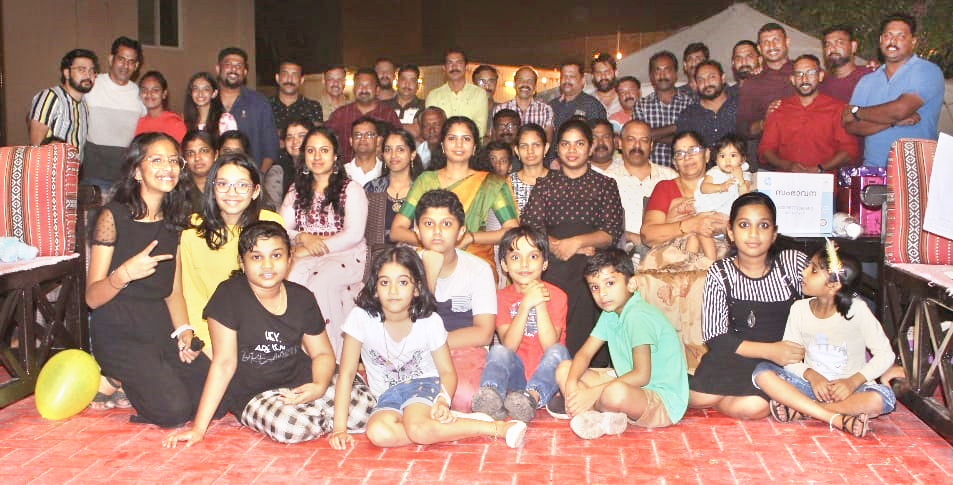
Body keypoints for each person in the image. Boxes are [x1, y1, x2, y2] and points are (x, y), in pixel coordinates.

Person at [163, 221, 375, 446]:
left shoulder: (301, 297)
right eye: (256, 257)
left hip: (302, 380)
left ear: (289, 258)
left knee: (367, 410)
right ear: (242, 262)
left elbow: (322, 353)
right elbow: (224, 364)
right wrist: (198, 429)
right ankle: (320, 414)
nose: (267, 265)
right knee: (293, 428)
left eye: (276, 255)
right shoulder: (228, 297)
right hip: (255, 393)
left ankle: (317, 411)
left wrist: (319, 386)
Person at [329, 246, 527, 450]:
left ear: (416, 288)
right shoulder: (360, 319)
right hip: (387, 395)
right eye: (385, 282)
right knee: (378, 433)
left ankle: (496, 428)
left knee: (418, 428)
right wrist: (339, 429)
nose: (393, 291)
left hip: (424, 385)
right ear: (374, 289)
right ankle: (447, 426)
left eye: (403, 282)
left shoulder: (430, 321)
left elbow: (447, 372)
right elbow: (346, 374)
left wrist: (443, 400)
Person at [85, 132, 209, 425]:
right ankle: (117, 375)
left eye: (173, 161)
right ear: (137, 171)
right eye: (156, 160)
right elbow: (91, 298)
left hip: (159, 329)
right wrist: (124, 274)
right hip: (119, 333)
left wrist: (184, 333)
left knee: (215, 398)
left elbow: (173, 292)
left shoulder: (174, 220)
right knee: (174, 412)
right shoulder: (112, 217)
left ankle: (133, 380)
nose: (168, 167)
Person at [752, 243, 896, 438]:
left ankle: (804, 410)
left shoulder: (857, 310)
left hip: (851, 391)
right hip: (811, 387)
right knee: (762, 372)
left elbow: (885, 355)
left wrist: (852, 382)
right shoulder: (799, 309)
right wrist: (812, 376)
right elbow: (789, 359)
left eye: (813, 270)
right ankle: (831, 414)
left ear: (834, 285)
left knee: (882, 398)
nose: (803, 272)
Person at [688, 192, 808, 419]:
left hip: (780, 363)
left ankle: (771, 399)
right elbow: (715, 337)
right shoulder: (721, 271)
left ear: (774, 234)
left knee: (752, 407)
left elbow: (825, 300)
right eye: (744, 225)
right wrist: (770, 350)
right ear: (731, 232)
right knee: (695, 398)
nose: (753, 234)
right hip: (735, 356)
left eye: (763, 225)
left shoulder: (792, 263)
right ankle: (772, 402)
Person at [521, 119, 624, 367]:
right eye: (565, 144)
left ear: (590, 148)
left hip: (593, 257)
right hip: (552, 255)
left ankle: (588, 363)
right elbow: (531, 227)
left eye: (579, 144)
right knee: (556, 274)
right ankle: (554, 363)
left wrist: (576, 243)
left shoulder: (605, 185)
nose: (572, 150)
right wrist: (560, 246)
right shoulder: (545, 185)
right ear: (557, 149)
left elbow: (611, 232)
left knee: (587, 274)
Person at [555, 248, 688, 439]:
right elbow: (584, 354)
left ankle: (591, 411)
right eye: (595, 287)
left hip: (660, 401)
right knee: (565, 369)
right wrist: (571, 385)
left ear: (631, 284)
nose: (603, 293)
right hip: (630, 387)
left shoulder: (638, 316)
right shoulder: (610, 314)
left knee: (615, 393)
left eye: (610, 283)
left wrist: (592, 393)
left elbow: (642, 375)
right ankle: (598, 417)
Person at [638, 131, 730, 369]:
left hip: (718, 252)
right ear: (673, 162)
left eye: (693, 150)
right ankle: (663, 363)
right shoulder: (666, 188)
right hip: (671, 252)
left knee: (706, 282)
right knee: (654, 282)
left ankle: (705, 365)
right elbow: (648, 234)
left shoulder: (727, 185)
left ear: (707, 154)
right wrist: (690, 225)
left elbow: (742, 224)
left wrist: (721, 225)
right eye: (680, 153)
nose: (687, 157)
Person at [180, 152, 283, 354]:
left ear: (255, 191)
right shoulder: (192, 229)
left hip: (262, 329)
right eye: (223, 184)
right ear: (212, 189)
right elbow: (192, 294)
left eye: (242, 185)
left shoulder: (271, 224)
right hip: (209, 330)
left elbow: (274, 291)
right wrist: (206, 343)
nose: (232, 192)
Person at [279, 127, 368, 359]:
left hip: (346, 255)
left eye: (324, 150)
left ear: (335, 155)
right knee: (290, 279)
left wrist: (313, 248)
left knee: (321, 283)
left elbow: (354, 234)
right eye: (311, 151)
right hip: (305, 254)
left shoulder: (351, 189)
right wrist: (303, 238)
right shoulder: (296, 190)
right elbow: (281, 227)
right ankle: (299, 356)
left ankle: (334, 357)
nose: (317, 157)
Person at [391, 116, 519, 272]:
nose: (459, 144)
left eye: (466, 139)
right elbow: (397, 230)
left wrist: (470, 237)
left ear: (474, 147)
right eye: (452, 138)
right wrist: (434, 243)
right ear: (443, 145)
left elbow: (512, 230)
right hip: (431, 260)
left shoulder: (490, 183)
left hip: (475, 262)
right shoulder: (426, 180)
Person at [471, 226, 569, 423]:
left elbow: (550, 346)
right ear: (504, 265)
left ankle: (531, 398)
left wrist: (539, 303)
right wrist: (525, 305)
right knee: (498, 350)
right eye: (515, 257)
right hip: (516, 380)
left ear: (545, 263)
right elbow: (509, 346)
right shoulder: (500, 297)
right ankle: (491, 396)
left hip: (547, 378)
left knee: (559, 351)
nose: (524, 264)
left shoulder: (558, 296)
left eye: (533, 256)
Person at [844, 13, 945, 168]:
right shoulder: (867, 81)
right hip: (873, 169)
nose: (893, 41)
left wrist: (856, 111)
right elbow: (849, 125)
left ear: (913, 42)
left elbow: (900, 109)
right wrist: (893, 123)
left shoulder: (927, 71)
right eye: (888, 35)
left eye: (901, 36)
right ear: (880, 40)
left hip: (916, 169)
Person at [760, 55, 859, 173]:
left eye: (810, 73)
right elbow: (765, 150)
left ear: (820, 76)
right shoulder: (778, 109)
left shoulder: (837, 109)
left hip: (825, 179)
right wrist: (787, 166)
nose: (804, 79)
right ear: (792, 79)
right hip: (785, 180)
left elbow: (849, 151)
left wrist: (820, 168)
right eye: (799, 74)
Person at [82, 37, 147, 191]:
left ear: (136, 66)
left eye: (131, 61)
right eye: (121, 59)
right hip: (93, 177)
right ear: (111, 59)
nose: (125, 66)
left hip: (126, 180)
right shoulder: (92, 85)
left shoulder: (141, 95)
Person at [604, 120, 677, 253]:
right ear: (619, 143)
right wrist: (630, 237)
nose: (637, 145)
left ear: (651, 145)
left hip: (665, 254)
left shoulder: (670, 177)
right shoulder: (606, 180)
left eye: (643, 140)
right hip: (620, 255)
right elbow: (598, 227)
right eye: (631, 139)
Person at [736, 23, 796, 167]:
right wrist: (765, 122)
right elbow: (743, 129)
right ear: (759, 48)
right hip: (770, 163)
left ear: (787, 42)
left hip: (810, 157)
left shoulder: (803, 71)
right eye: (766, 42)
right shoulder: (752, 83)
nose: (771, 46)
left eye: (776, 40)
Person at [216, 47, 279, 174]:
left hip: (251, 177)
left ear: (245, 72)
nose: (233, 69)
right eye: (228, 64)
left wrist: (258, 178)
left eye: (238, 66)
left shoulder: (259, 103)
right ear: (218, 69)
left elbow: (270, 149)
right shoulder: (207, 100)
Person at [694, 135, 753, 260]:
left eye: (733, 155)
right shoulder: (714, 172)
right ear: (716, 159)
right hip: (711, 214)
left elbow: (745, 196)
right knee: (701, 232)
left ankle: (716, 262)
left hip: (728, 219)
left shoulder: (745, 175)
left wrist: (740, 179)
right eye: (722, 156)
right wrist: (720, 187)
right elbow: (704, 188)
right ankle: (708, 261)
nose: (727, 160)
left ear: (742, 159)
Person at [325, 69, 401, 163]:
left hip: (381, 170)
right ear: (354, 89)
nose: (364, 89)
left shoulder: (388, 114)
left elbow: (399, 143)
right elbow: (325, 140)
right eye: (360, 85)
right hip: (345, 170)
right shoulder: (340, 114)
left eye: (368, 85)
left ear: (377, 90)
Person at [29, 48, 96, 153]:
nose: (88, 75)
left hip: (76, 163)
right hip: (51, 163)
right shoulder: (51, 97)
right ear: (67, 73)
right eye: (81, 70)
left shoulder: (84, 104)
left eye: (91, 70)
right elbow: (36, 146)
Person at [634, 51, 693, 168]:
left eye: (667, 70)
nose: (662, 75)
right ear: (651, 76)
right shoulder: (641, 105)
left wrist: (653, 135)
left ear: (675, 74)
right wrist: (676, 127)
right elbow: (640, 137)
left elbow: (690, 139)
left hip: (683, 171)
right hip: (651, 172)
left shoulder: (689, 103)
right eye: (658, 70)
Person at [364, 128, 424, 243]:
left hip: (415, 252)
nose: (393, 155)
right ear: (382, 155)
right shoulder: (371, 189)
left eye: (400, 149)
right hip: (376, 252)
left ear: (412, 155)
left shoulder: (422, 190)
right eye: (388, 150)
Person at [425, 49, 490, 139]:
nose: (454, 67)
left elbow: (480, 130)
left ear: (466, 67)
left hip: (471, 146)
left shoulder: (479, 94)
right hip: (442, 146)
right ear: (444, 68)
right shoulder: (433, 95)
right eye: (450, 63)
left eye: (459, 62)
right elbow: (432, 129)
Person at [675, 60, 737, 147]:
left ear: (723, 78)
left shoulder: (739, 106)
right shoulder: (689, 115)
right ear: (696, 84)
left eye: (711, 77)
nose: (706, 83)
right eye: (700, 80)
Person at [494, 67, 555, 143]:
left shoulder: (545, 110)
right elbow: (495, 139)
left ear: (535, 86)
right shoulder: (500, 109)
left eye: (530, 81)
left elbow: (547, 141)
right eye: (521, 80)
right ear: (514, 84)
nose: (525, 84)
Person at [819, 25, 875, 103]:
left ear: (853, 46)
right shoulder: (822, 83)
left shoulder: (870, 77)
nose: (832, 48)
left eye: (839, 43)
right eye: (828, 45)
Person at [549, 61, 607, 137]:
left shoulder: (592, 106)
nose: (567, 80)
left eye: (572, 76)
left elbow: (599, 137)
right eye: (564, 76)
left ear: (582, 80)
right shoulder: (552, 106)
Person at [264, 118, 310, 210]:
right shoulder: (278, 170)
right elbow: (272, 209)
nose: (295, 141)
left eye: (301, 136)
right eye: (289, 137)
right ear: (284, 143)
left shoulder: (321, 167)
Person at [270, 61, 323, 131]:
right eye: (285, 74)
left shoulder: (313, 107)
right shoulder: (265, 106)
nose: (289, 79)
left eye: (294, 75)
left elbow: (318, 135)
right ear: (277, 78)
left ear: (301, 80)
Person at [135, 71, 187, 142]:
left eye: (155, 90)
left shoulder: (174, 124)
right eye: (144, 90)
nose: (149, 94)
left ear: (164, 94)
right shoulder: (139, 123)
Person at [509, 124, 550, 212]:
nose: (530, 151)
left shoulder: (559, 181)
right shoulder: (508, 184)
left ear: (546, 148)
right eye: (524, 146)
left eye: (536, 145)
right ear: (517, 151)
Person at [183, 73, 234, 138]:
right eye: (196, 89)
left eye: (206, 89)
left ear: (214, 93)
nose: (200, 93)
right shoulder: (185, 120)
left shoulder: (225, 120)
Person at [181, 130, 217, 212]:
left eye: (203, 151)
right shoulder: (178, 190)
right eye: (190, 153)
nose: (197, 158)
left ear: (215, 154)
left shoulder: (225, 186)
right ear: (185, 158)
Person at [343, 117, 385, 186]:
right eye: (358, 135)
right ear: (351, 141)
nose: (363, 139)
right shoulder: (342, 173)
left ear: (378, 140)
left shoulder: (386, 172)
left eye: (369, 135)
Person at [386, 64, 426, 132]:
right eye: (403, 79)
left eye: (412, 80)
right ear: (397, 83)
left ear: (418, 85)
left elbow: (417, 132)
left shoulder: (424, 106)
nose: (407, 84)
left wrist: (391, 126)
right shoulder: (384, 106)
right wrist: (410, 127)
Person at [587, 54, 623, 122]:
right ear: (592, 76)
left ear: (616, 73)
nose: (603, 77)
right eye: (598, 73)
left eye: (607, 72)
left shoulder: (625, 98)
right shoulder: (586, 101)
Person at [472, 65, 499, 140]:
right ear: (474, 84)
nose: (487, 85)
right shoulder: (467, 109)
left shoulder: (502, 109)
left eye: (491, 81)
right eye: (482, 81)